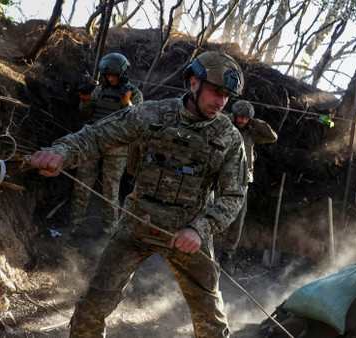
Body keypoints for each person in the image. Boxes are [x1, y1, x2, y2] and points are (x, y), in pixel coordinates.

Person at [30, 50, 247, 337]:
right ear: (194, 83)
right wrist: (60, 152)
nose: (221, 102)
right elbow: (97, 135)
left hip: (189, 235)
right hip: (136, 225)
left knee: (212, 323)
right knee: (92, 307)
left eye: (227, 96)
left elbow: (233, 195)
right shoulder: (153, 113)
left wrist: (200, 229)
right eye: (216, 91)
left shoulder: (229, 137)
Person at [72, 52, 143, 234]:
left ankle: (108, 230)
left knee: (110, 190)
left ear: (123, 74)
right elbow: (86, 116)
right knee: (82, 184)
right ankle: (75, 223)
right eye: (108, 75)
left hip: (117, 148)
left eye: (114, 75)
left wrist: (127, 104)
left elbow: (137, 123)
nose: (111, 79)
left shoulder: (134, 93)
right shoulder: (99, 90)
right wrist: (85, 99)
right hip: (93, 143)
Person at [217, 100, 278, 275]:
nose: (242, 121)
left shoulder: (252, 133)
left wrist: (254, 122)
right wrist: (230, 117)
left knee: (238, 219)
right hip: (220, 177)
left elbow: (272, 136)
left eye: (246, 119)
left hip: (242, 181)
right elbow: (214, 120)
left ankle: (227, 255)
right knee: (212, 210)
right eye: (240, 117)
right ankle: (208, 247)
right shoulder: (225, 126)